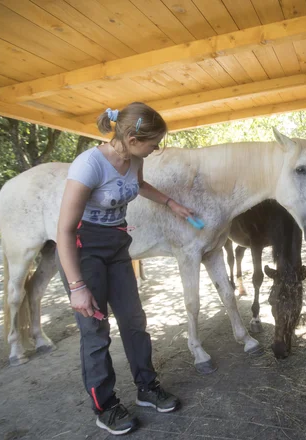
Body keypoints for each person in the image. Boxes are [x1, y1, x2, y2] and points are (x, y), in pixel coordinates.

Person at [56, 102, 193, 435]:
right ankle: (105, 406)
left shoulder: (135, 159)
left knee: (134, 320)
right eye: (153, 142)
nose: (156, 148)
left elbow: (141, 186)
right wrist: (77, 286)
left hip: (117, 246)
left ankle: (147, 387)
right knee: (95, 332)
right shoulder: (89, 165)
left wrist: (172, 203)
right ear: (132, 137)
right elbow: (63, 230)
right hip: (83, 249)